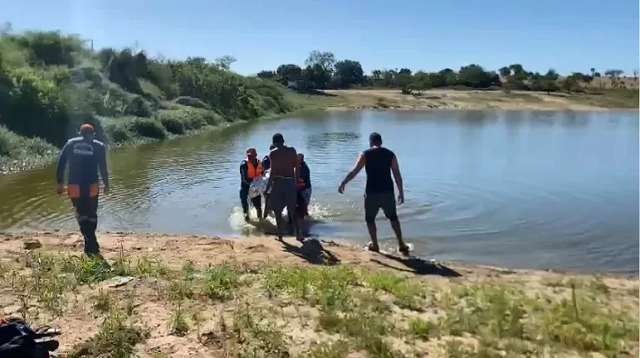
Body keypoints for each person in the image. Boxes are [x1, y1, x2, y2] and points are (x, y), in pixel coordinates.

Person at [338, 132, 409, 255]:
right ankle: (401, 244)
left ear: (370, 142)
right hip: (387, 192)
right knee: (393, 218)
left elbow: (355, 171)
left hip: (372, 192)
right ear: (381, 142)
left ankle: (375, 245)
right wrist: (401, 192)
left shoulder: (365, 154)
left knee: (370, 219)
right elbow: (397, 174)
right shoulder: (390, 154)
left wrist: (344, 182)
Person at [55, 124, 109, 257]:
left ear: (80, 133)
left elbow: (61, 163)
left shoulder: (70, 144)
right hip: (92, 184)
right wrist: (106, 183)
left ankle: (89, 243)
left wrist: (59, 182)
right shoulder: (99, 146)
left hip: (74, 184)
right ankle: (92, 244)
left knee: (81, 213)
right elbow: (103, 167)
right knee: (91, 213)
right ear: (93, 134)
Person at [267, 133, 303, 242]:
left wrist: (269, 185)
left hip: (278, 182)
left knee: (277, 210)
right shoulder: (292, 150)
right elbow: (297, 167)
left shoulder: (273, 154)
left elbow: (273, 171)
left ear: (274, 142)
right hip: (290, 181)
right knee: (292, 209)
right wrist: (297, 182)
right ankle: (298, 234)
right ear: (283, 141)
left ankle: (280, 235)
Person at [239, 147, 263, 221]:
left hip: (256, 187)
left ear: (255, 155)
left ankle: (260, 221)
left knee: (258, 206)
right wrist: (253, 186)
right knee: (245, 206)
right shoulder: (244, 164)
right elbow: (244, 178)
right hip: (246, 187)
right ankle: (247, 221)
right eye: (248, 155)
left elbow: (262, 173)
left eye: (251, 155)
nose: (249, 157)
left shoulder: (259, 162)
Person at [296, 153, 312, 219]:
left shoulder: (303, 168)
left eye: (297, 158)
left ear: (301, 159)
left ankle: (305, 219)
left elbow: (300, 180)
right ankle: (305, 219)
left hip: (305, 189)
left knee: (304, 206)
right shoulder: (301, 165)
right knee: (303, 206)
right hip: (304, 188)